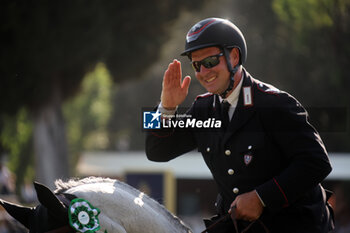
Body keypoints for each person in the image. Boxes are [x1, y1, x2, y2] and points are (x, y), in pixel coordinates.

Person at [145, 17, 334, 232]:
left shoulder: (275, 103)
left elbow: (317, 162)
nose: (203, 73)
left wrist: (261, 198)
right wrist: (166, 108)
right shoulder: (202, 109)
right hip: (239, 226)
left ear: (233, 57)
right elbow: (155, 152)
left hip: (295, 225)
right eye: (197, 65)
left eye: (209, 62)